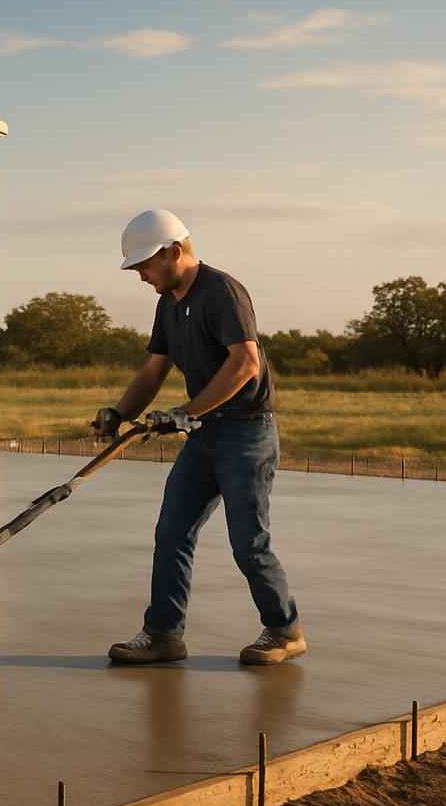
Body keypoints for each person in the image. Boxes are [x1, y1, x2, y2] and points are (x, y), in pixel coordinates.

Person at [91, 209, 304, 666]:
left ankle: (285, 630)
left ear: (173, 251)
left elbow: (245, 364)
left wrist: (185, 412)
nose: (142, 276)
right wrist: (119, 412)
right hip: (205, 435)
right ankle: (164, 634)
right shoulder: (168, 304)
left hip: (246, 433)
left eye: (145, 266)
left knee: (248, 542)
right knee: (172, 532)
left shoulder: (221, 291)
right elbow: (154, 368)